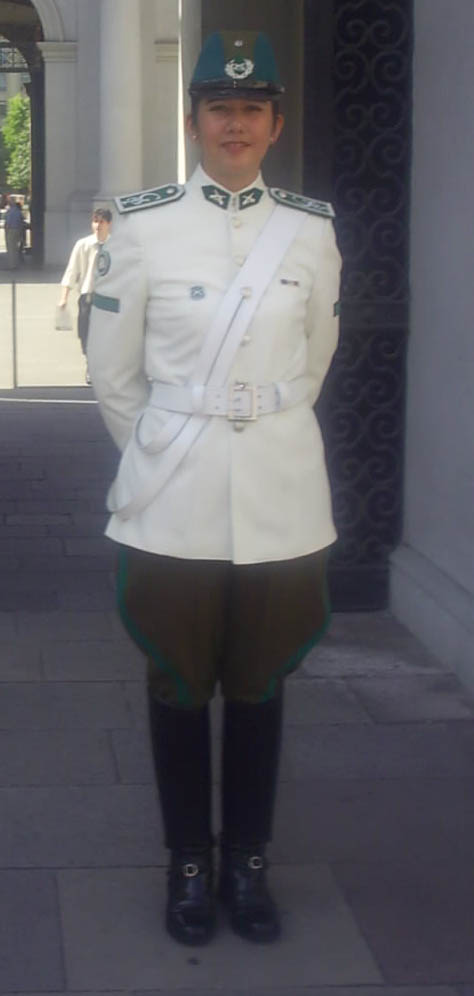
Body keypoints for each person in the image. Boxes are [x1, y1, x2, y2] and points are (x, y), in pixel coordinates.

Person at [87, 30, 341, 946]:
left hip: (279, 498)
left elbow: (312, 364)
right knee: (177, 684)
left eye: (253, 109)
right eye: (220, 108)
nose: (237, 123)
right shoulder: (147, 226)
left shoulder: (310, 231)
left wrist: (251, 426)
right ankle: (189, 862)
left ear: (276, 124)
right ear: (194, 122)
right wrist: (171, 446)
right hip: (176, 500)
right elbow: (113, 376)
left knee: (263, 685)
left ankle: (249, 861)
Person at [58, 208, 112, 378]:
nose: (98, 226)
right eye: (95, 221)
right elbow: (71, 271)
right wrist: (63, 298)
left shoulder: (116, 246)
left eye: (102, 222)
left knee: (107, 333)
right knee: (85, 332)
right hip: (88, 295)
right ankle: (90, 362)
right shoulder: (83, 245)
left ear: (109, 224)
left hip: (110, 297)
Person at [4, 195, 24, 270]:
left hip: (11, 230)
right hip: (18, 230)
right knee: (15, 248)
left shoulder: (10, 212)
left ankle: (12, 265)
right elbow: (21, 221)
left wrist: (6, 232)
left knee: (11, 248)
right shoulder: (18, 212)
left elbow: (8, 223)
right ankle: (16, 264)